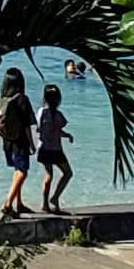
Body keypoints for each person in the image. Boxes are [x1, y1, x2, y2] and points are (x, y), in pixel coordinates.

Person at [0, 68, 34, 212]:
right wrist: (32, 144)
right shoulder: (22, 99)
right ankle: (8, 203)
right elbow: (27, 125)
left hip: (7, 142)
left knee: (17, 170)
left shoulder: (2, 100)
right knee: (22, 172)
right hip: (20, 141)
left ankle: (19, 204)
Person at [34, 86, 74, 215]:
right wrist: (67, 135)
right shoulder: (58, 115)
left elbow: (38, 129)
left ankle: (45, 203)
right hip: (55, 150)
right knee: (67, 173)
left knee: (48, 175)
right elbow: (58, 131)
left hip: (43, 148)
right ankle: (55, 197)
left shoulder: (41, 113)